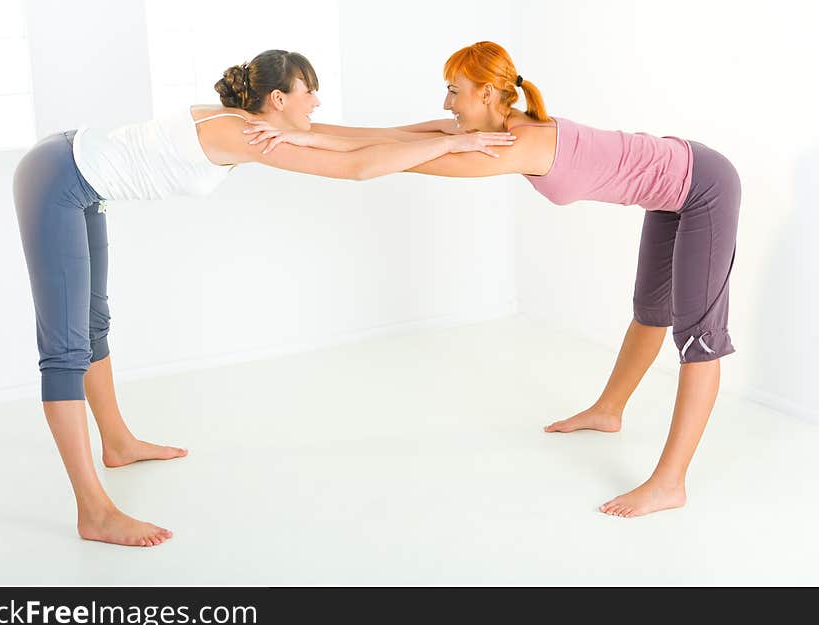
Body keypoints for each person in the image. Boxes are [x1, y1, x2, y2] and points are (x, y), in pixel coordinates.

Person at [12, 49, 515, 548]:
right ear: (277, 98)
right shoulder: (244, 133)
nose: (316, 102)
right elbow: (358, 166)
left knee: (94, 323)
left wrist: (446, 132)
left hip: (77, 172)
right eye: (309, 91)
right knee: (65, 351)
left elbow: (354, 138)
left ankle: (118, 444)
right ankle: (94, 512)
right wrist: (453, 144)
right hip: (59, 179)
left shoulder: (254, 121)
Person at [247, 41, 741, 518]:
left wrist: (302, 143)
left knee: (698, 337)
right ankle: (609, 410)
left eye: (454, 90)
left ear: (486, 94)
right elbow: (390, 137)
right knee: (651, 311)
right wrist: (305, 133)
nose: (447, 102)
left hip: (704, 187)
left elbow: (400, 161)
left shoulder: (520, 145)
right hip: (671, 187)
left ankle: (669, 483)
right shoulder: (501, 130)